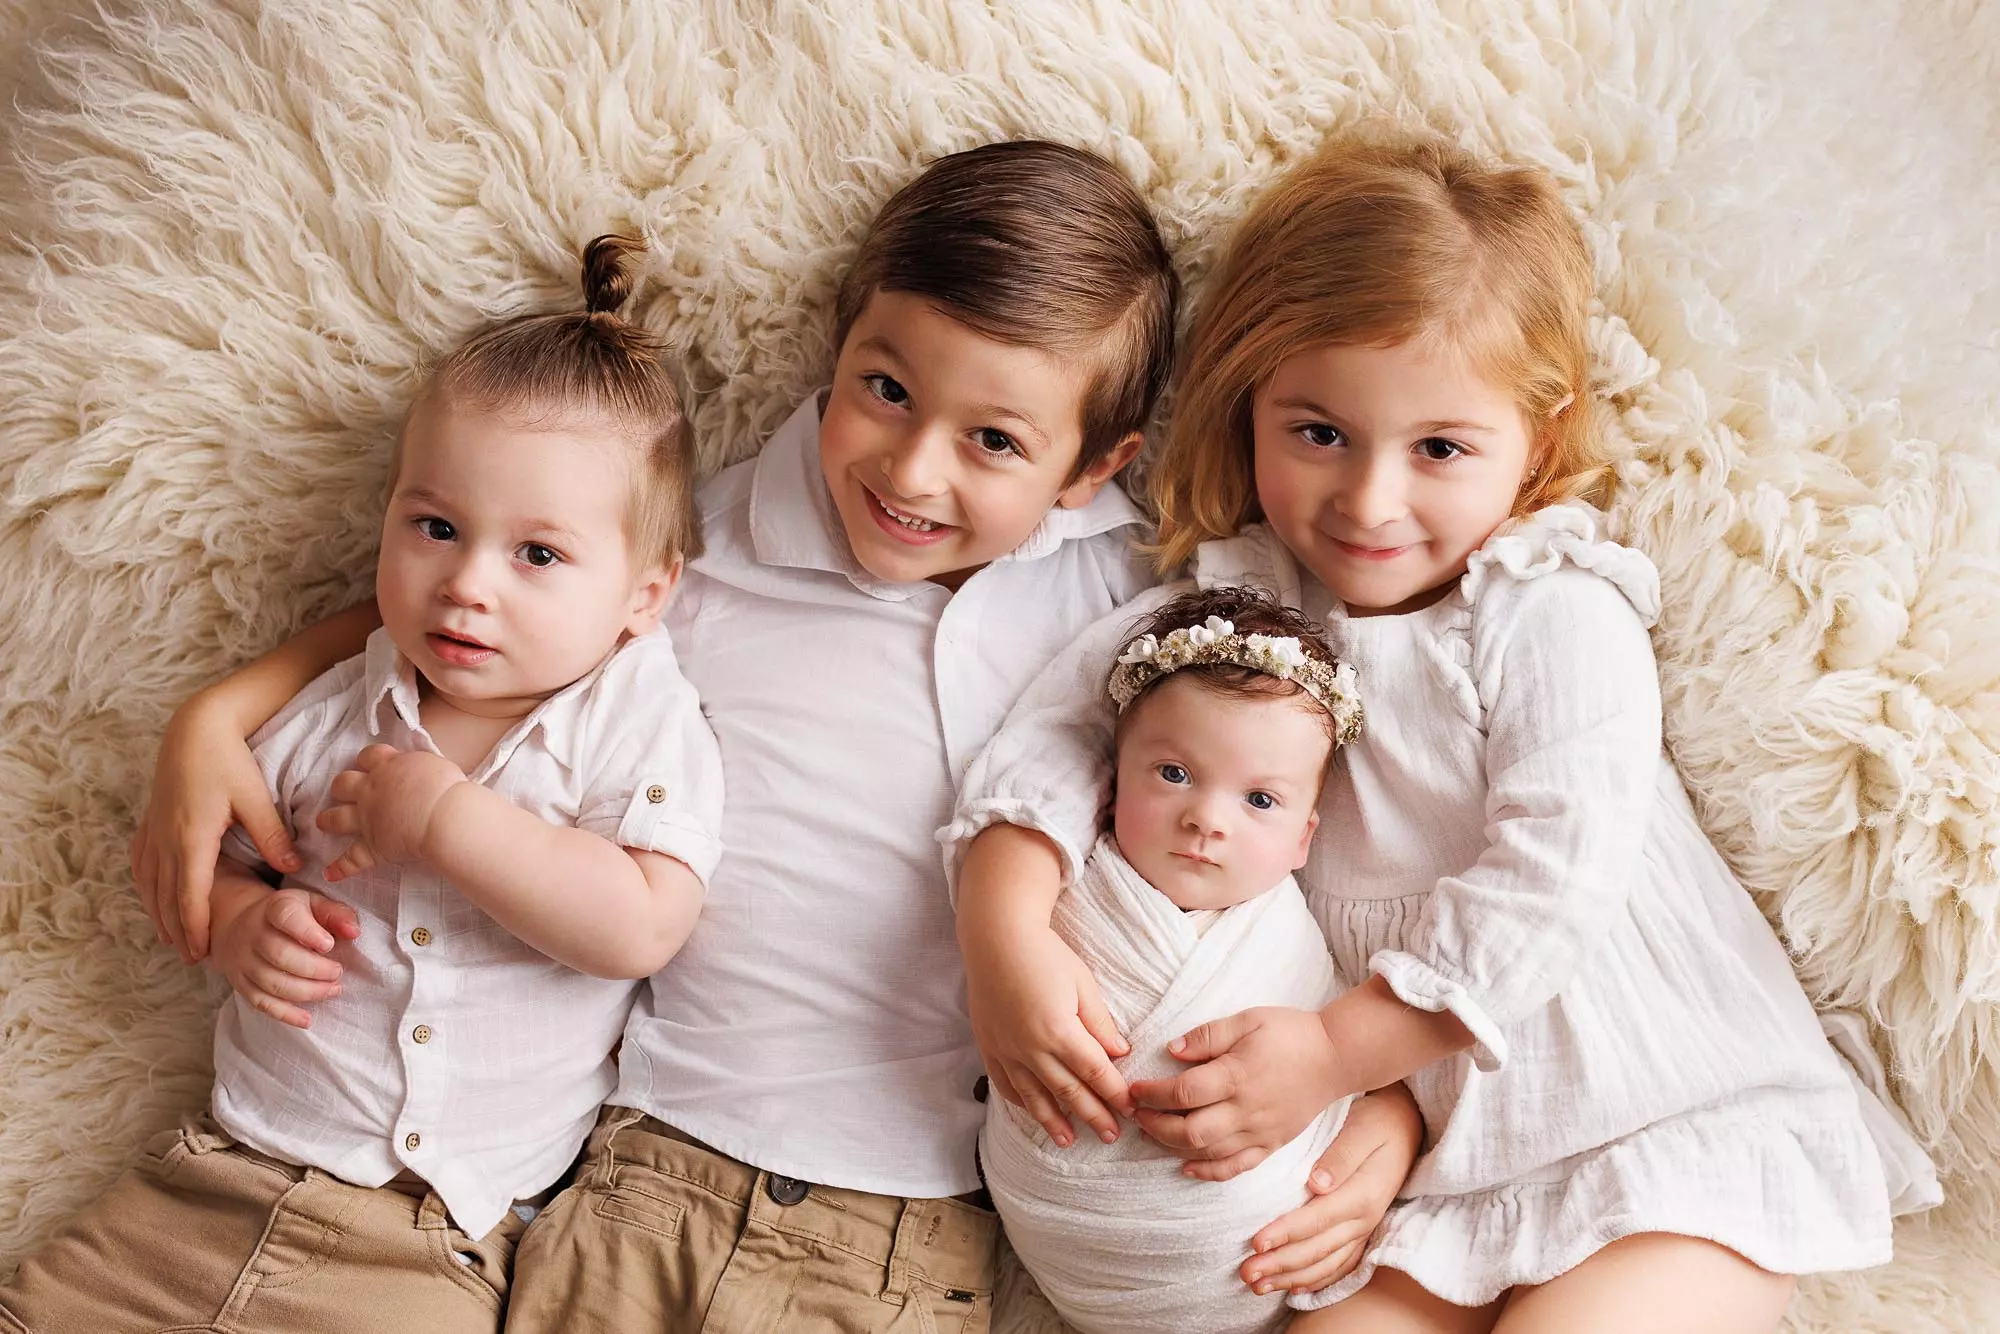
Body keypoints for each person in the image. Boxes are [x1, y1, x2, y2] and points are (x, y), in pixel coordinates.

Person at [125, 142, 1423, 1333]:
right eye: (884, 389)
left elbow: (1325, 847)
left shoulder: (1135, 599)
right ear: (834, 348)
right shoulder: (704, 551)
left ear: (1092, 466)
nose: (912, 470)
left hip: (914, 1213)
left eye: (993, 440)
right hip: (647, 1161)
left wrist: (1385, 1112)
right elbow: (484, 607)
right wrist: (220, 711)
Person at [950, 130, 1941, 1334]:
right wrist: (1002, 933)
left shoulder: (1543, 605)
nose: (1369, 499)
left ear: (1537, 440)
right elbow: (1056, 736)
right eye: (1318, 432)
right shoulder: (1233, 610)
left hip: (1664, 1122)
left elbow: (1549, 881)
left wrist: (1333, 1054)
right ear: (1246, 402)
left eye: (1439, 448)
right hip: (1438, 1172)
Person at [0, 235, 723, 1334]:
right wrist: (241, 926)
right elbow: (215, 860)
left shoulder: (635, 719)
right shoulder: (335, 708)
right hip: (212, 1179)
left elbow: (640, 927)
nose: (466, 583)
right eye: (435, 527)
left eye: (537, 555)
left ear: (644, 593)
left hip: (428, 1241)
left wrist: (446, 819)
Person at [981, 584, 1370, 1334]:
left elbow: (1360, 1084)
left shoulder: (1296, 944)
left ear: (1304, 838)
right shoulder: (1061, 885)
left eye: (1260, 800)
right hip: (1065, 1233)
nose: (1206, 819)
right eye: (1173, 774)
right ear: (1110, 782)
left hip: (1258, 1269)